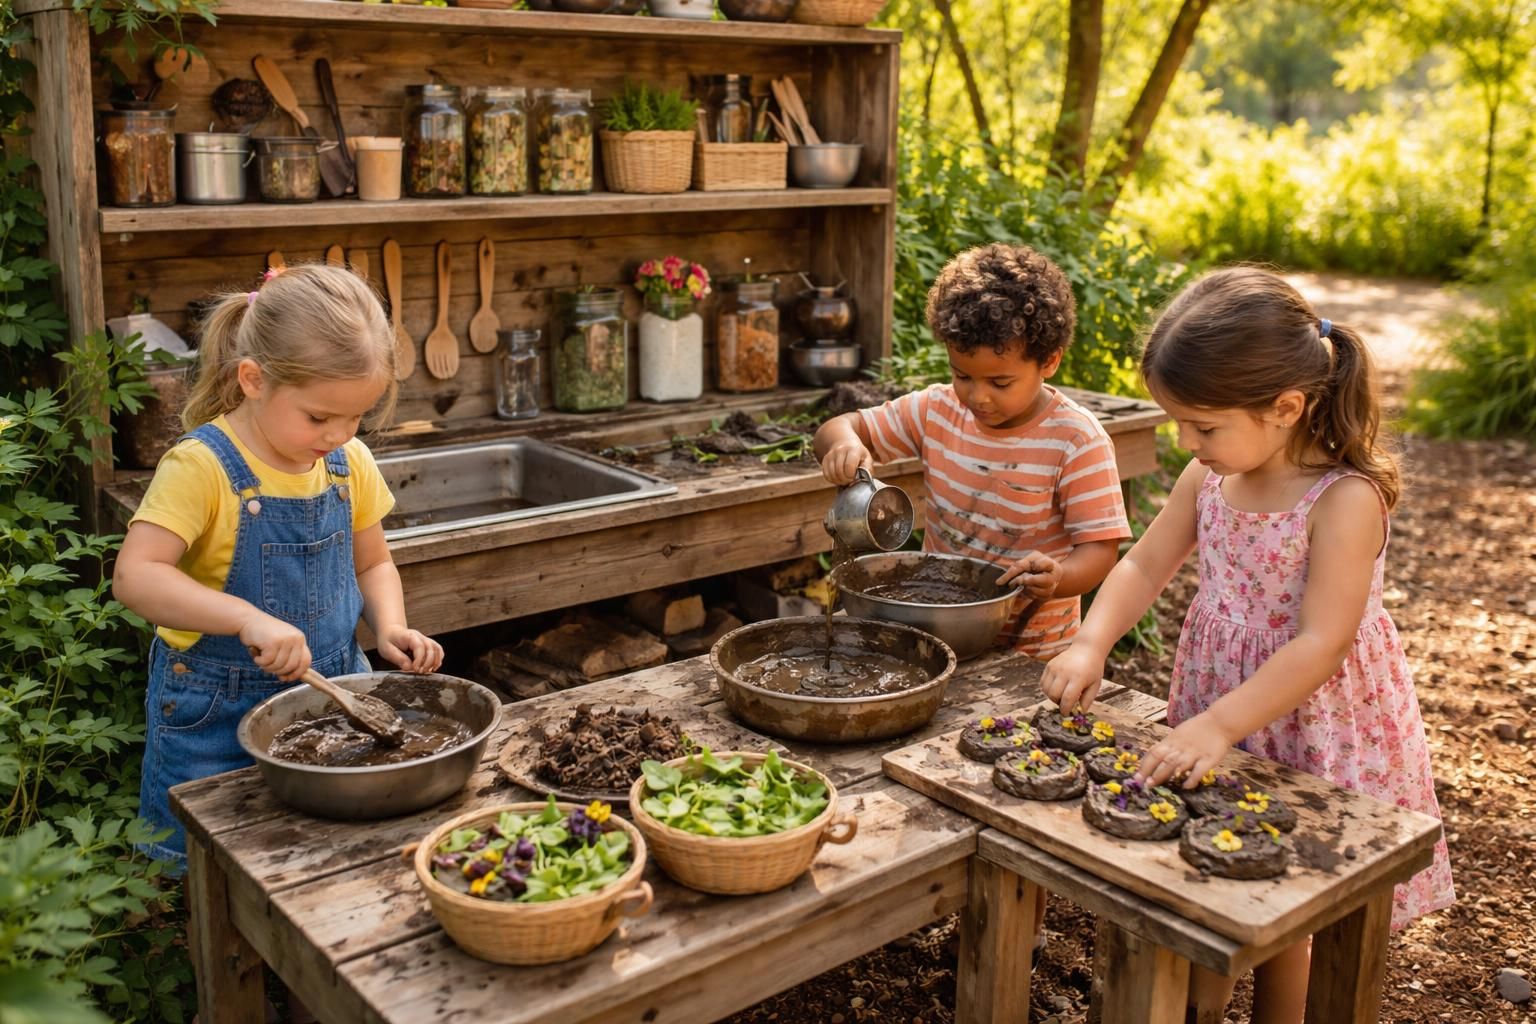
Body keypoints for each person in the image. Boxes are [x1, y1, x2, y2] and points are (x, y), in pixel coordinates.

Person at [1042, 267, 1454, 1023]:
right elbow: (1144, 564)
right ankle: (1200, 1004)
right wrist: (1090, 642)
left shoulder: (1343, 499)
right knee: (1214, 861)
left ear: (1285, 408)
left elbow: (1323, 643)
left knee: (1289, 900)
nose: (1186, 443)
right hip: (1220, 708)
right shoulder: (1208, 478)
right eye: (1179, 424)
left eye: (1203, 426)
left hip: (1311, 721)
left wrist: (1218, 724)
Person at [114, 264, 444, 870]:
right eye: (319, 417)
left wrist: (391, 626)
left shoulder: (348, 462)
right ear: (253, 380)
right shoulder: (202, 466)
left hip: (337, 694)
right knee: (203, 868)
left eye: (356, 417)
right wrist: (245, 619)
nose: (338, 434)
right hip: (215, 711)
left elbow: (373, 563)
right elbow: (136, 576)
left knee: (322, 853)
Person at [814, 242, 1131, 660]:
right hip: (936, 634)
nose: (978, 397)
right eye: (962, 375)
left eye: (1000, 383)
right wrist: (844, 445)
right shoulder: (936, 410)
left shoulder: (1076, 440)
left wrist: (1060, 577)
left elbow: (1099, 550)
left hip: (1032, 652)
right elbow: (838, 428)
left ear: (1049, 361)